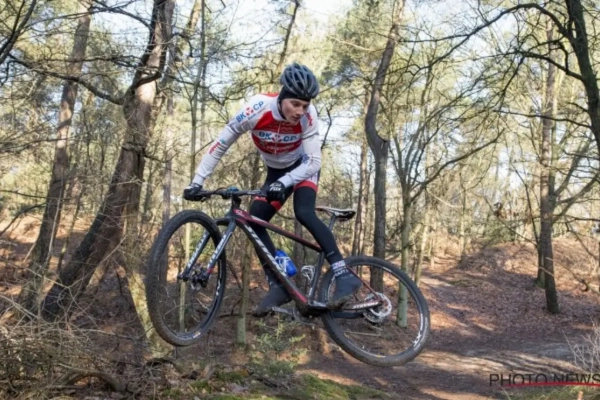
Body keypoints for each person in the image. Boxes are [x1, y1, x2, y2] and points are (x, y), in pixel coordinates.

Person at [183, 62, 361, 317]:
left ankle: (343, 275)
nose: (300, 111)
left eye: (305, 105)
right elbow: (221, 144)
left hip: (303, 167)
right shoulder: (256, 109)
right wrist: (197, 182)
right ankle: (279, 283)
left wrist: (285, 182)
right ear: (281, 96)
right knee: (255, 220)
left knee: (304, 212)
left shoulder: (309, 116)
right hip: (276, 171)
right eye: (295, 104)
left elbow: (313, 162)